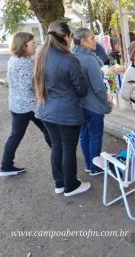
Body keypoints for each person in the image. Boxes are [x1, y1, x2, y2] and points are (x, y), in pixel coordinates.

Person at [34, 21, 90, 197]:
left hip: (45, 111)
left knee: (57, 146)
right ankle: (71, 185)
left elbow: (33, 84)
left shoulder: (41, 56)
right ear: (66, 37)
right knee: (68, 149)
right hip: (66, 113)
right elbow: (82, 88)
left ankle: (60, 183)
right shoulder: (69, 59)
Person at [0, 32, 52, 177]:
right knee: (48, 129)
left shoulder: (15, 59)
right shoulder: (24, 63)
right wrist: (41, 99)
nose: (35, 45)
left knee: (16, 135)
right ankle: (60, 157)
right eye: (33, 43)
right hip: (28, 106)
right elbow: (27, 88)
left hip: (17, 104)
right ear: (24, 46)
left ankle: (6, 166)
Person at [73, 28, 112, 176]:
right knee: (95, 135)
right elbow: (99, 87)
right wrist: (107, 104)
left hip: (78, 104)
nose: (95, 41)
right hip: (93, 105)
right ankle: (95, 167)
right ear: (83, 41)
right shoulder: (89, 59)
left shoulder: (71, 56)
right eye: (91, 38)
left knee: (84, 135)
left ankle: (89, 165)